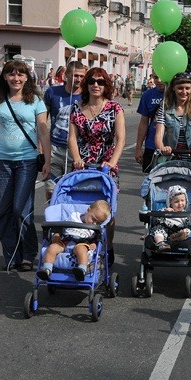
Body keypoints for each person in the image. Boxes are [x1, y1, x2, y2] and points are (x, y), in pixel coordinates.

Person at [0, 60, 51, 271]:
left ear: (26, 77)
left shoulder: (35, 100)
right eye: (12, 74)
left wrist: (47, 160)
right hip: (2, 161)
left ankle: (28, 253)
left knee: (20, 208)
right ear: (5, 77)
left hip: (27, 161)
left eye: (20, 74)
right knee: (2, 211)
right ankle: (12, 254)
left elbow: (43, 131)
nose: (16, 78)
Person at [68, 67, 125, 265]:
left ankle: (108, 246)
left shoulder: (115, 108)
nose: (95, 85)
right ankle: (82, 243)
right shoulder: (76, 108)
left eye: (100, 82)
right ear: (86, 84)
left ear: (106, 85)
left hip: (106, 165)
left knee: (107, 210)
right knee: (82, 205)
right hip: (82, 164)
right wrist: (76, 158)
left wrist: (112, 162)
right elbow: (72, 137)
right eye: (92, 81)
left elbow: (120, 139)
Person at [36, 199, 111, 281]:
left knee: (81, 250)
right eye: (93, 219)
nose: (94, 223)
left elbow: (97, 238)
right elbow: (61, 226)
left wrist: (94, 244)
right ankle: (47, 269)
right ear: (88, 210)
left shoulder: (94, 228)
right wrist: (57, 235)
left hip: (81, 243)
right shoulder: (74, 216)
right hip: (64, 241)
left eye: (98, 223)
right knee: (52, 247)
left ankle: (81, 270)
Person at [43, 61, 87, 200]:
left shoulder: (87, 95)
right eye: (75, 75)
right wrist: (41, 149)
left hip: (77, 152)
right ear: (66, 75)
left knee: (71, 193)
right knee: (51, 191)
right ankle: (53, 212)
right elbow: (42, 122)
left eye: (81, 76)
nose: (78, 79)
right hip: (55, 149)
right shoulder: (52, 92)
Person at [155, 72, 191, 161]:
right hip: (170, 158)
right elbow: (158, 135)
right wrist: (162, 148)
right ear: (173, 88)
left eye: (187, 88)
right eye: (180, 88)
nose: (184, 92)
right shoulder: (165, 107)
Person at [135, 73, 165, 173]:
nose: (159, 80)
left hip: (172, 148)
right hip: (151, 147)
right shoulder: (147, 95)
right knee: (149, 179)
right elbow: (143, 123)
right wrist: (138, 148)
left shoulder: (178, 94)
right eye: (156, 77)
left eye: (162, 77)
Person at [150, 185, 191, 251]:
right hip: (166, 230)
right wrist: (164, 212)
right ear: (170, 203)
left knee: (187, 231)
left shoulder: (185, 214)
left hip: (179, 230)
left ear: (186, 201)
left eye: (182, 200)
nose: (180, 203)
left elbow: (190, 225)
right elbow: (156, 220)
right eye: (176, 202)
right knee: (158, 229)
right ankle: (160, 243)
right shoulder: (166, 210)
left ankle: (177, 238)